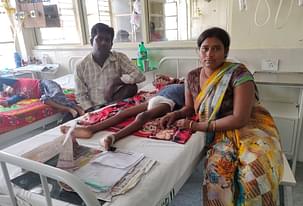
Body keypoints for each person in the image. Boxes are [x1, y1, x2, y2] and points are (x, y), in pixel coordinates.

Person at [160, 27, 283, 205]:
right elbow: (189, 107)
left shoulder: (239, 74)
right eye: (205, 48)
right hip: (220, 135)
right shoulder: (192, 77)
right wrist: (175, 114)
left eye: (216, 48)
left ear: (226, 52)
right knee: (216, 171)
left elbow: (240, 118)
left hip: (250, 127)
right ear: (199, 51)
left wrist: (196, 126)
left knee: (254, 169)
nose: (209, 54)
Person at [60, 83, 185, 150]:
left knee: (143, 117)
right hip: (155, 99)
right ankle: (91, 129)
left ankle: (113, 137)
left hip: (169, 103)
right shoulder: (173, 85)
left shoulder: (187, 87)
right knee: (123, 113)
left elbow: (188, 105)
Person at [75, 23, 145, 112]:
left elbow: (140, 75)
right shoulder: (81, 65)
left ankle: (112, 109)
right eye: (99, 39)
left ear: (111, 44)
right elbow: (80, 95)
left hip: (116, 103)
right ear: (91, 41)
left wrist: (115, 81)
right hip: (95, 108)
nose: (103, 43)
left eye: (107, 40)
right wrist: (92, 113)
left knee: (132, 87)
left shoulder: (118, 58)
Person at [0, 77, 84, 117]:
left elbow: (2, 79)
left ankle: (78, 108)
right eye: (7, 94)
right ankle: (69, 109)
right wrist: (6, 101)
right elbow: (7, 102)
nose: (8, 93)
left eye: (7, 91)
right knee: (44, 99)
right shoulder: (19, 95)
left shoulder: (16, 82)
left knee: (56, 95)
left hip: (44, 84)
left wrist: (2, 89)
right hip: (43, 94)